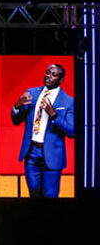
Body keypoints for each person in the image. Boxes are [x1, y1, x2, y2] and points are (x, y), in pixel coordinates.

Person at [10, 63, 75, 198]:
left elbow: (71, 131)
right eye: (47, 72)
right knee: (33, 194)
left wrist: (54, 116)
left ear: (61, 80)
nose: (48, 76)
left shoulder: (68, 101)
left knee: (50, 196)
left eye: (54, 74)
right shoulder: (32, 94)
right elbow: (16, 120)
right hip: (32, 153)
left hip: (52, 156)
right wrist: (17, 105)